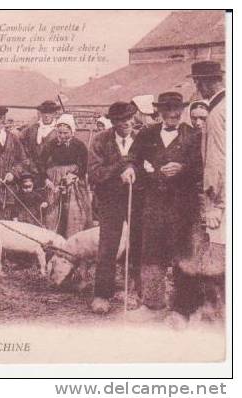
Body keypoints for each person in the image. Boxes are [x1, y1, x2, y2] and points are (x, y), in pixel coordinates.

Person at [123, 92, 203, 324]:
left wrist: (182, 168)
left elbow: (201, 168)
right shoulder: (147, 133)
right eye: (167, 109)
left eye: (176, 109)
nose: (172, 114)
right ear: (158, 111)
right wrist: (129, 169)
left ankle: (182, 309)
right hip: (153, 205)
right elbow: (132, 157)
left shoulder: (194, 135)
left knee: (183, 255)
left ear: (182, 110)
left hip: (182, 206)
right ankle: (153, 304)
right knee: (152, 253)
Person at [88, 101, 143, 314]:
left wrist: (136, 171)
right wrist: (122, 167)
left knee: (138, 244)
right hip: (110, 200)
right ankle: (102, 294)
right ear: (113, 122)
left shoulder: (141, 138)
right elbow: (94, 173)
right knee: (108, 246)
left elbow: (148, 166)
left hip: (136, 199)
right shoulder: (100, 140)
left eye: (130, 118)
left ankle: (137, 292)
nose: (127, 123)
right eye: (121, 120)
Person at [186, 61, 226, 322]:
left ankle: (217, 311)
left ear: (204, 83)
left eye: (198, 83)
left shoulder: (217, 113)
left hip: (223, 197)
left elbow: (217, 160)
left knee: (217, 253)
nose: (197, 88)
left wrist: (214, 203)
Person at [40, 114, 92, 237]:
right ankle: (54, 238)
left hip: (73, 181)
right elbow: (40, 163)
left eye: (66, 133)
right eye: (60, 133)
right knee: (53, 212)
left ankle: (73, 237)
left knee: (74, 211)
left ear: (72, 131)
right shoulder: (50, 144)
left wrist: (75, 176)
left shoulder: (79, 145)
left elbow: (85, 165)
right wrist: (45, 179)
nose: (62, 136)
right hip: (55, 180)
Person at [20, 100, 61, 185]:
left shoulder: (59, 131)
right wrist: (26, 159)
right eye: (44, 112)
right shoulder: (32, 129)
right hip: (33, 171)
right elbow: (20, 142)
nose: (46, 115)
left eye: (50, 112)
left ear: (54, 114)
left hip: (51, 172)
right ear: (41, 114)